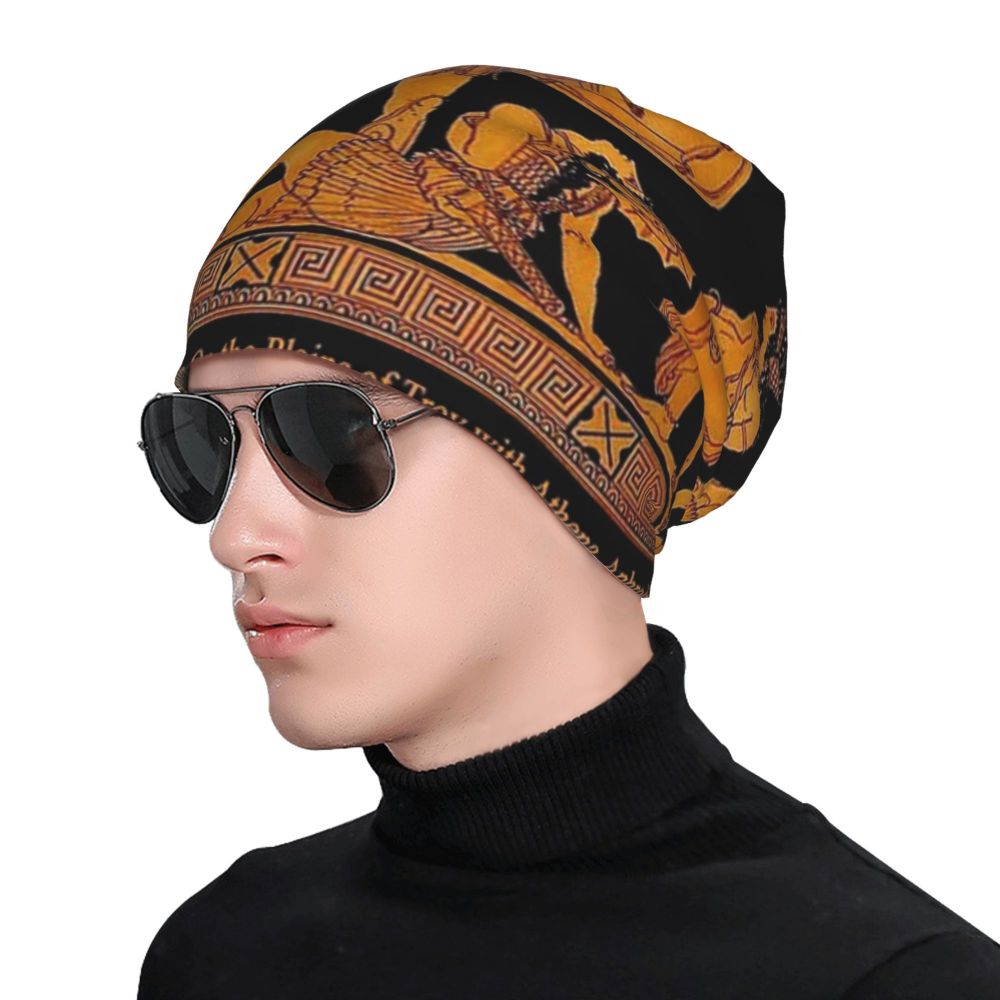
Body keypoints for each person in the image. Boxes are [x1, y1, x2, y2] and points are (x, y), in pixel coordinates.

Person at [135, 64, 1000, 997]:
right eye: (205, 439)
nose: (235, 536)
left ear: (580, 470)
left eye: (332, 432)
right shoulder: (225, 950)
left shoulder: (883, 981)